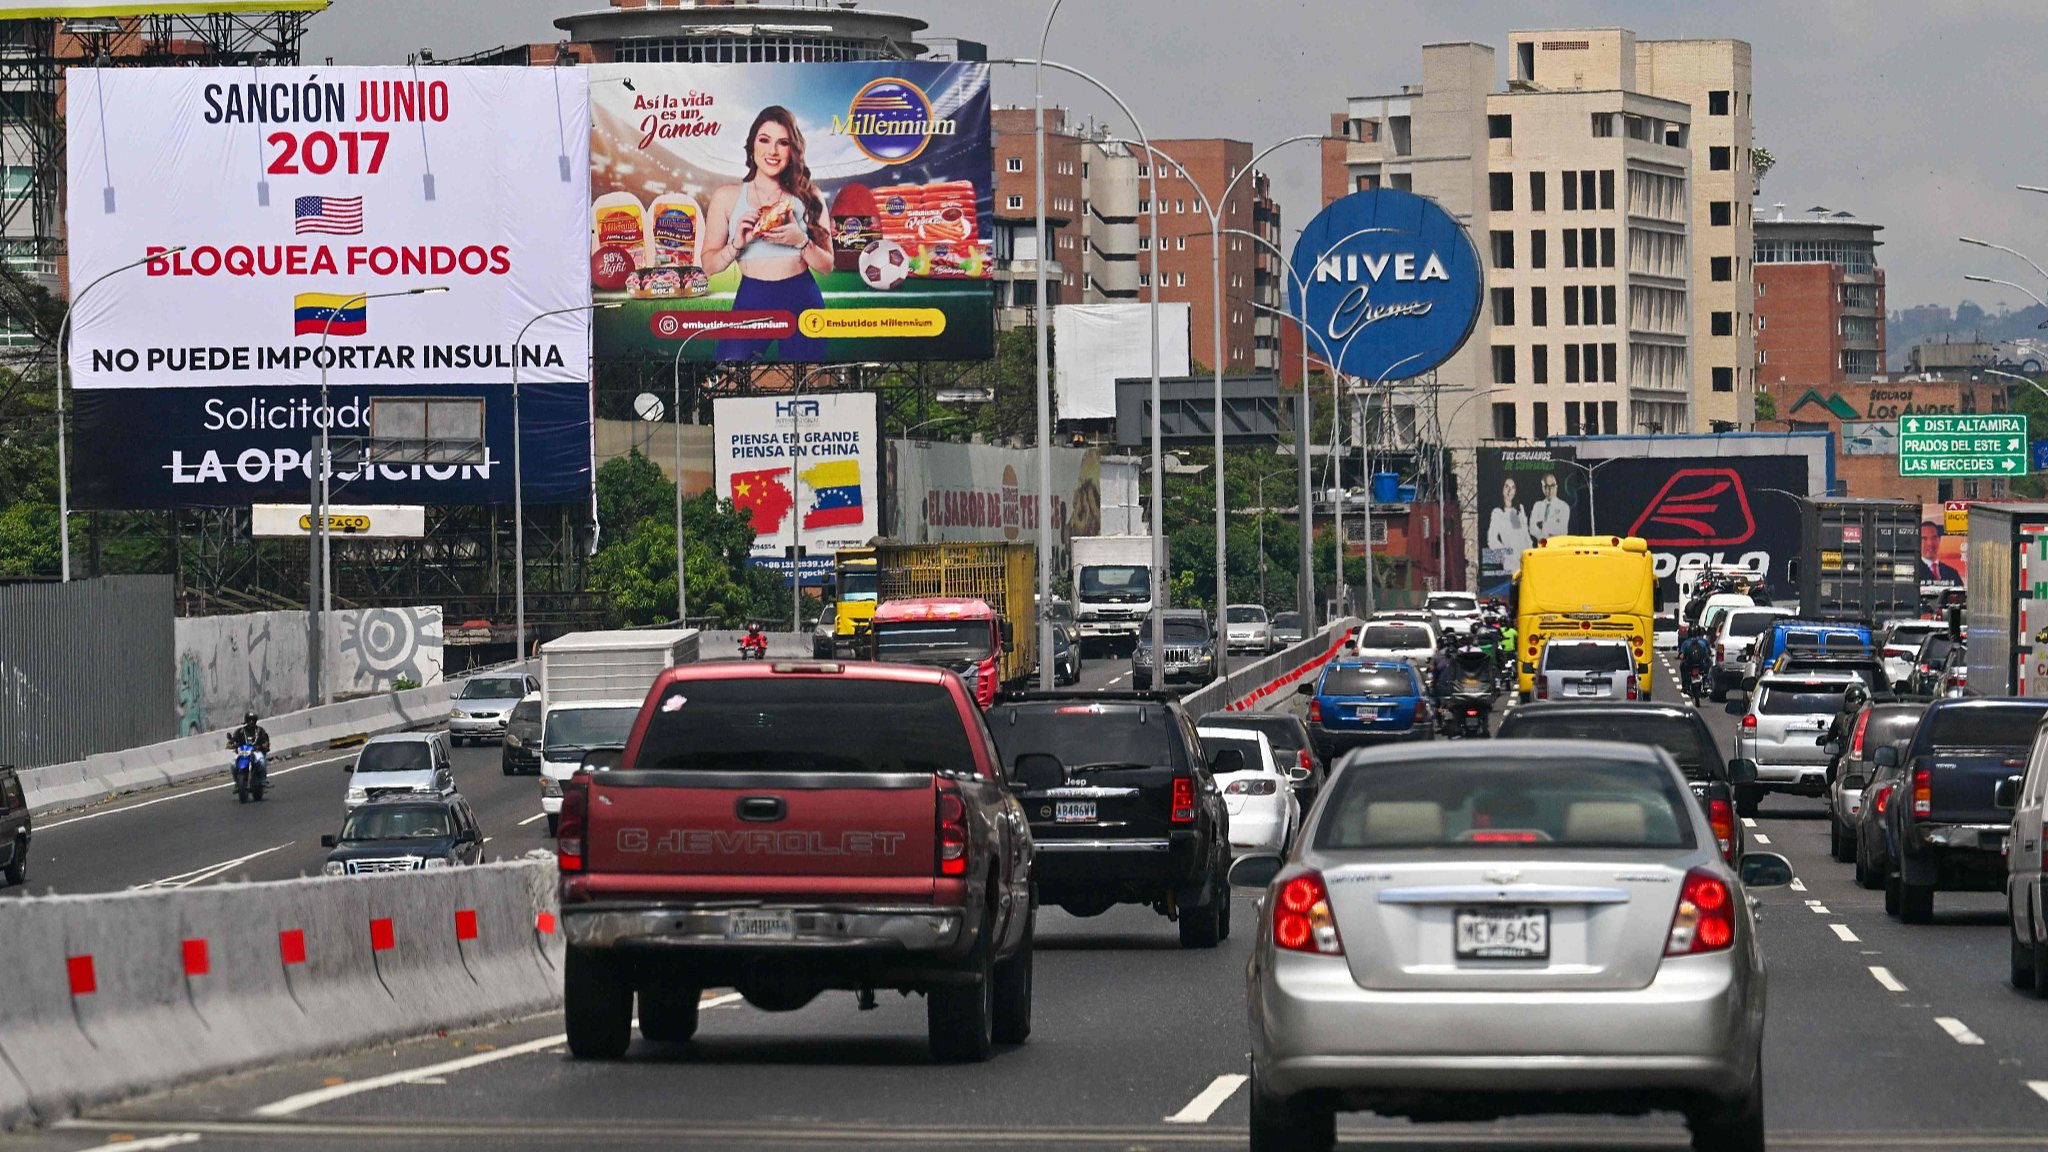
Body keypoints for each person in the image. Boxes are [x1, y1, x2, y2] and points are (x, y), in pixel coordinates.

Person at [701, 106, 837, 362]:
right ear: (752, 145)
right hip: (751, 298)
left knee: (804, 385)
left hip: (801, 298)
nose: (772, 151)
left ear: (792, 150)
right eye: (764, 140)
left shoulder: (810, 196)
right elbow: (708, 265)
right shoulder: (727, 196)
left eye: (782, 142)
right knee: (730, 379)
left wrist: (801, 241)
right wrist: (736, 245)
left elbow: (827, 266)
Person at [1486, 477, 1534, 578]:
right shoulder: (1497, 512)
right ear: (1502, 489)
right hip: (1510, 565)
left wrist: (1531, 553)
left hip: (1525, 561)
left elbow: (1526, 534)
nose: (1509, 491)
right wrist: (1507, 553)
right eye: (1506, 487)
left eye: (1512, 487)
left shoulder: (1520, 509)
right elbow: (1492, 539)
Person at [226, 710, 270, 785]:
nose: (251, 722)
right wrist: (230, 744)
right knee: (233, 764)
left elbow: (265, 740)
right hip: (243, 751)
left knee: (262, 762)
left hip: (256, 751)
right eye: (249, 720)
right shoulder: (241, 731)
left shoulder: (260, 730)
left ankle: (263, 780)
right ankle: (237, 782)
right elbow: (233, 739)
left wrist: (265, 744)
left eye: (253, 720)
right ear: (246, 720)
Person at [1528, 472, 1572, 545]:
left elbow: (1562, 530)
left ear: (1556, 487)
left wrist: (1543, 524)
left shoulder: (1564, 507)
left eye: (1552, 486)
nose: (1550, 489)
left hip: (1558, 546)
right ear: (1542, 488)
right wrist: (1544, 536)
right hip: (1541, 546)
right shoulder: (1537, 506)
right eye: (1546, 486)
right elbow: (1532, 529)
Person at [1679, 627, 1713, 698]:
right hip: (1701, 664)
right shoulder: (1703, 642)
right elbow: (1707, 654)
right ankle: (1707, 682)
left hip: (1689, 665)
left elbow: (1681, 656)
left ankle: (1685, 685)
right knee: (1709, 667)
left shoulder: (1685, 643)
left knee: (1682, 667)